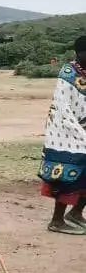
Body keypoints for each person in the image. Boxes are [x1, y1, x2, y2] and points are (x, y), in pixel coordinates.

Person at [38, 35, 86, 234]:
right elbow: (63, 110)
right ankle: (56, 221)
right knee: (67, 178)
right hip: (65, 136)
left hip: (82, 132)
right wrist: (82, 135)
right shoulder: (67, 73)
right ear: (79, 53)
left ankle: (76, 213)